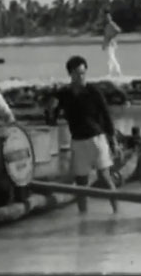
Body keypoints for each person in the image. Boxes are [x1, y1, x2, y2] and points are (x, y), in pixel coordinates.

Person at [43, 56, 120, 214]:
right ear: (70, 74)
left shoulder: (94, 92)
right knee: (81, 182)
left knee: (104, 177)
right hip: (78, 141)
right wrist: (50, 110)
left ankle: (116, 212)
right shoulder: (63, 94)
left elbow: (106, 117)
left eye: (83, 73)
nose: (81, 77)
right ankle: (83, 217)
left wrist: (113, 141)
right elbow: (52, 120)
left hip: (97, 139)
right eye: (78, 73)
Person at [103, 12, 123, 77]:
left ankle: (118, 71)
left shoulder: (112, 24)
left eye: (108, 17)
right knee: (110, 58)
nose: (107, 18)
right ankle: (110, 73)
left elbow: (118, 30)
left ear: (110, 17)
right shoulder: (107, 26)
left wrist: (112, 36)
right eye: (106, 17)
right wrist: (104, 44)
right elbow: (106, 36)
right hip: (108, 44)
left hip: (111, 44)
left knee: (111, 57)